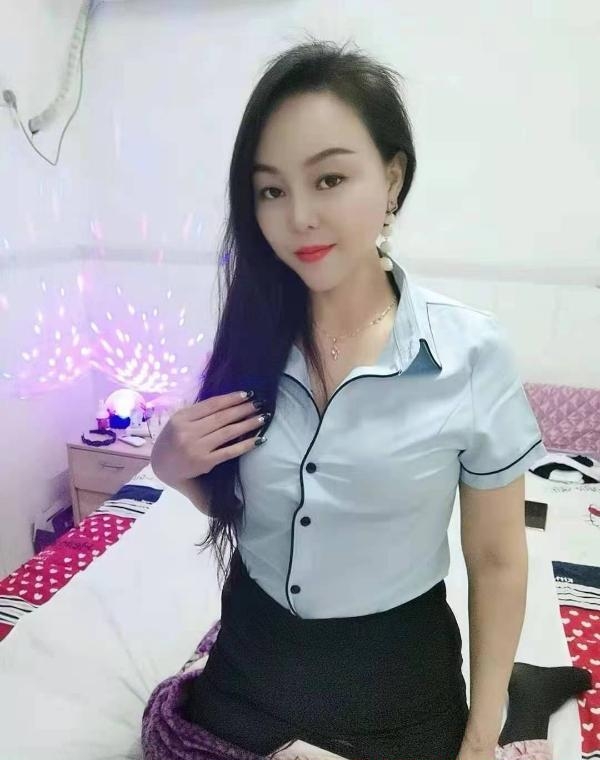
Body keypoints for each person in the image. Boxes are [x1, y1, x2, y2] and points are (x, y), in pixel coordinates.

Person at [147, 38, 551, 760]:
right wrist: (172, 468)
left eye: (329, 179)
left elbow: (496, 559)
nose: (298, 216)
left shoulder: (469, 354)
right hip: (248, 665)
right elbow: (256, 513)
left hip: (396, 684)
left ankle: (522, 693)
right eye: (271, 190)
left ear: (392, 178)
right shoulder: (251, 338)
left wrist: (481, 733)